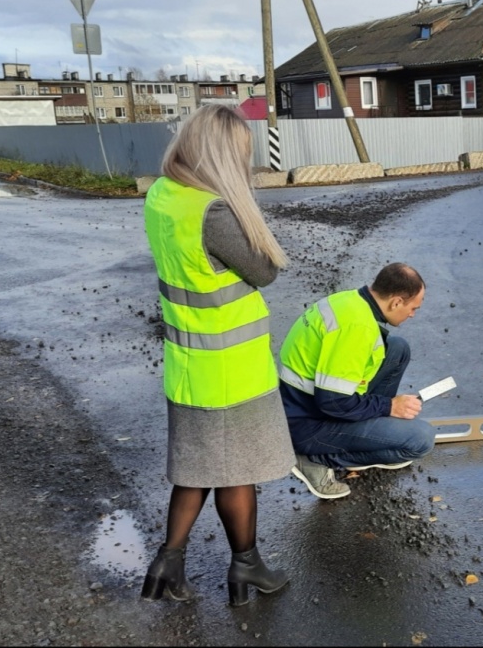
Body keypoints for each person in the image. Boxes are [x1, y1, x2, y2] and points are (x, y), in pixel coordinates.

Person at [140, 104, 294, 607]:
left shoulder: (165, 196)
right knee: (235, 471)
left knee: (198, 469)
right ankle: (245, 568)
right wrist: (243, 205)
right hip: (230, 371)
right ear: (224, 156)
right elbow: (266, 270)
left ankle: (169, 563)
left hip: (188, 366)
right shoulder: (215, 212)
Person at [279, 262, 437, 499]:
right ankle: (312, 459)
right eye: (413, 308)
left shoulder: (350, 300)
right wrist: (389, 406)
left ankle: (371, 433)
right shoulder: (357, 329)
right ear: (396, 302)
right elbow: (333, 403)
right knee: (420, 439)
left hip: (296, 404)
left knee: (396, 348)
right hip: (307, 425)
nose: (412, 314)